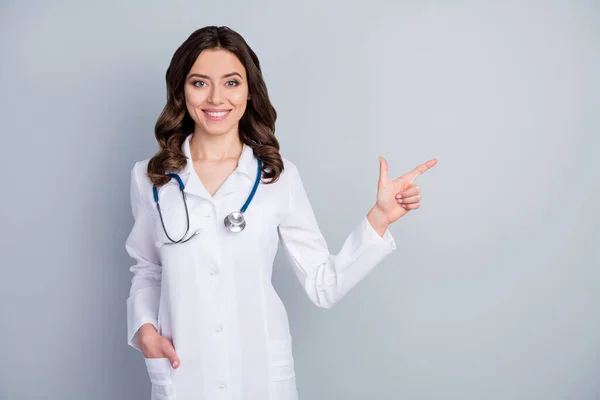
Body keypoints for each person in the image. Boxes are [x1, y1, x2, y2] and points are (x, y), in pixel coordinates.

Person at [125, 25, 437, 400]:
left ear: (250, 91)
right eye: (199, 83)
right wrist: (144, 328)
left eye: (231, 82)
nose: (215, 98)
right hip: (184, 374)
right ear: (181, 90)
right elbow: (148, 269)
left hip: (260, 378)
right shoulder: (152, 178)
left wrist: (380, 219)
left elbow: (324, 285)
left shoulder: (277, 176)